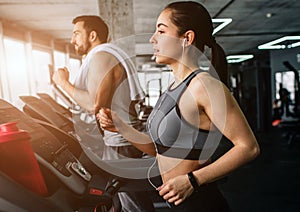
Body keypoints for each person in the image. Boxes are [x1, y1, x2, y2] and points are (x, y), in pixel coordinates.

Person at [97, 2, 260, 211]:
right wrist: (121, 127)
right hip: (177, 204)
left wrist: (193, 180)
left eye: (161, 31)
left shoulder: (204, 86)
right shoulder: (173, 87)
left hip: (201, 204)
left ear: (187, 39)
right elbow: (160, 150)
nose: (152, 38)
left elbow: (248, 147)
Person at [52, 15, 154, 212]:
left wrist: (62, 82)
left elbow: (93, 104)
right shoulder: (106, 55)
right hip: (120, 138)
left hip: (120, 142)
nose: (72, 40)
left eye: (76, 34)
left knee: (133, 204)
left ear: (92, 35)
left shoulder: (101, 57)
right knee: (123, 201)